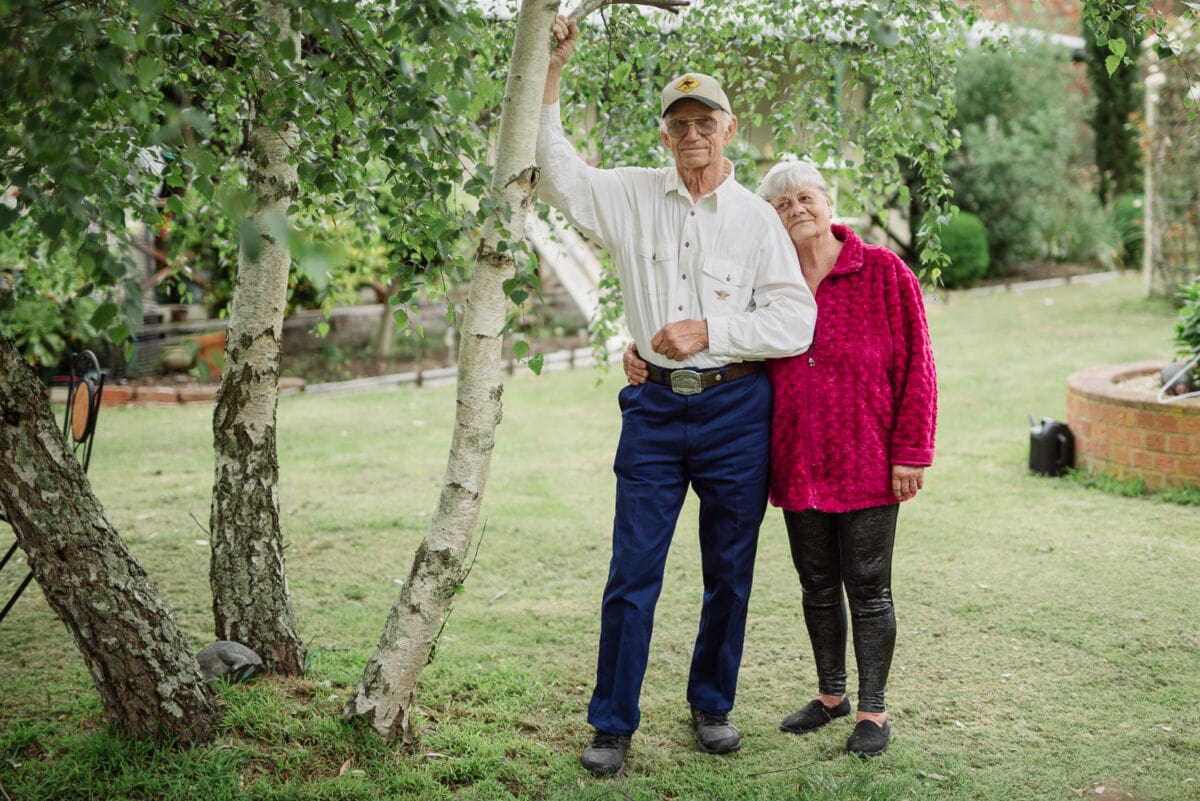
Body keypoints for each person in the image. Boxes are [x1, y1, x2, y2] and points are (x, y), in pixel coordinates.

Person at [538, 17, 817, 777]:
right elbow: (557, 170)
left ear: (728, 129)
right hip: (655, 409)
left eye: (704, 122)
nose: (692, 133)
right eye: (678, 123)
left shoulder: (759, 221)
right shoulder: (628, 196)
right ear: (664, 135)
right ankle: (611, 724)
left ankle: (711, 705)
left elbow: (796, 319)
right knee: (633, 568)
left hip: (735, 411)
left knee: (730, 569)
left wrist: (712, 330)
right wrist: (553, 69)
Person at [625, 160, 937, 757]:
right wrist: (638, 352)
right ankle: (831, 696)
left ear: (827, 201)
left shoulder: (884, 272)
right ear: (770, 217)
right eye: (782, 203)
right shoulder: (763, 281)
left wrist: (912, 452)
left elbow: (919, 369)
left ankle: (872, 710)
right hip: (794, 460)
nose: (796, 209)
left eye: (806, 197)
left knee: (868, 588)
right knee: (816, 584)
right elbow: (712, 339)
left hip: (869, 460)